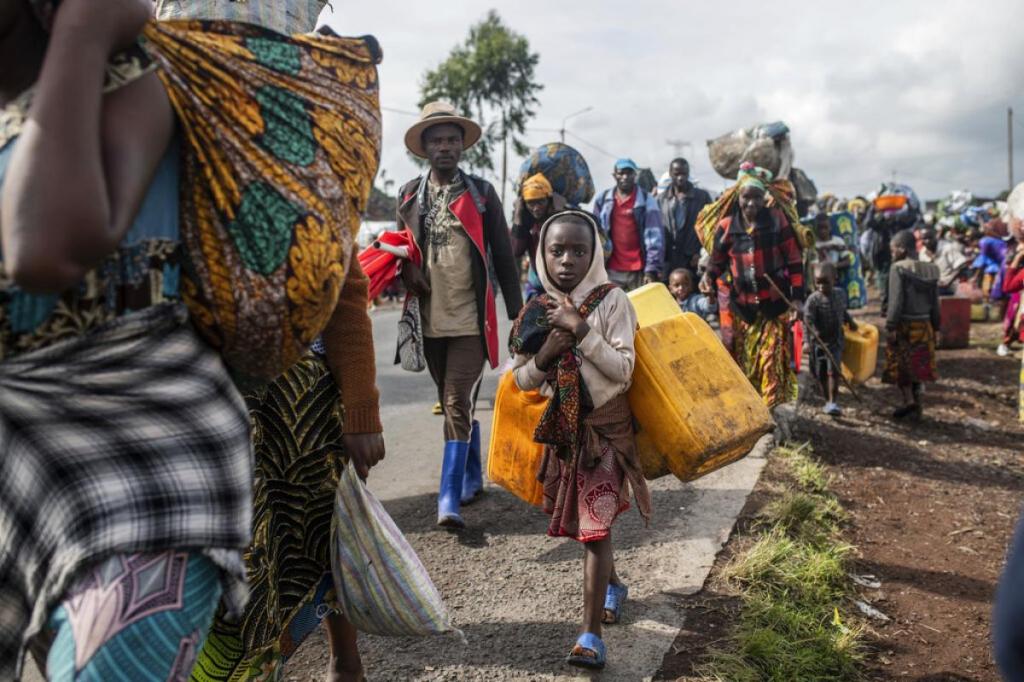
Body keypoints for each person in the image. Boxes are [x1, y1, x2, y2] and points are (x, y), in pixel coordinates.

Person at [0, 1, 254, 678]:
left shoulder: (126, 75)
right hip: (17, 487)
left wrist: (83, 29)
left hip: (138, 477)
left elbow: (42, 251)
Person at [509, 210, 650, 671]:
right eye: (556, 251)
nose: (567, 260)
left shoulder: (613, 302)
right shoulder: (534, 309)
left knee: (594, 529)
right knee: (584, 523)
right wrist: (546, 354)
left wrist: (581, 330)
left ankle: (589, 635)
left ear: (594, 254)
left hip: (605, 431)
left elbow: (623, 372)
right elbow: (524, 380)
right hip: (565, 434)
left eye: (578, 250)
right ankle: (614, 585)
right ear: (541, 255)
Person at [397, 101, 523, 528]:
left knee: (455, 401)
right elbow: (401, 251)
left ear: (462, 145)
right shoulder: (410, 194)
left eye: (452, 139)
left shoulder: (482, 194)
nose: (446, 147)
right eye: (437, 141)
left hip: (471, 319)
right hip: (429, 319)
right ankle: (471, 476)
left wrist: (518, 315)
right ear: (425, 148)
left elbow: (504, 258)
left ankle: (447, 497)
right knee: (452, 403)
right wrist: (405, 270)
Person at [701, 163, 805, 410]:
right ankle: (751, 409)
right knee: (747, 363)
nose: (751, 204)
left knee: (770, 360)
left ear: (764, 198)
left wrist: (798, 298)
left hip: (774, 304)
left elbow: (794, 260)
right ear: (739, 198)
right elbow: (717, 262)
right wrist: (707, 279)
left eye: (757, 198)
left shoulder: (777, 221)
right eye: (746, 198)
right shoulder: (727, 227)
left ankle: (768, 412)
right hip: (743, 308)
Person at [882, 230, 941, 420]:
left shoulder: (898, 268)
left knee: (902, 365)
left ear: (901, 249)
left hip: (905, 325)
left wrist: (891, 325)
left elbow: (896, 301)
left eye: (893, 251)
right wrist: (937, 327)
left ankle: (908, 401)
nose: (892, 255)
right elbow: (935, 302)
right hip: (924, 325)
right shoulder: (931, 269)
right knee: (919, 364)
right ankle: (918, 405)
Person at [593, 158, 665, 291]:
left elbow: (654, 237)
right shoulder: (603, 200)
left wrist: (651, 269)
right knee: (610, 308)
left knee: (639, 309)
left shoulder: (646, 200)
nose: (625, 177)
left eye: (629, 173)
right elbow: (596, 235)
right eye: (621, 173)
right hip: (611, 269)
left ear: (635, 175)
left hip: (638, 270)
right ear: (615, 175)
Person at [804, 262, 856, 416]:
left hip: (836, 341)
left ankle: (833, 402)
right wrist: (807, 342)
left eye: (825, 282)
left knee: (834, 370)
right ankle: (826, 399)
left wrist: (851, 322)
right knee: (820, 372)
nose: (821, 286)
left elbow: (843, 311)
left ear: (835, 279)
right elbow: (807, 322)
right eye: (817, 282)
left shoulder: (840, 294)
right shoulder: (813, 300)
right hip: (818, 343)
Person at [511, 173, 567, 300]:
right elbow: (516, 251)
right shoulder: (527, 223)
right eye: (530, 203)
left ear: (549, 200)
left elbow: (563, 242)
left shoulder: (563, 218)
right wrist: (518, 215)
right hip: (537, 288)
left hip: (562, 289)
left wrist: (558, 211)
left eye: (540, 202)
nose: (535, 208)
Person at [657, 158, 712, 280]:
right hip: (668, 259)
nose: (680, 178)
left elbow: (710, 228)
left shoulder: (702, 197)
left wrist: (701, 253)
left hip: (692, 259)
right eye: (677, 174)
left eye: (684, 173)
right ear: (670, 174)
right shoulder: (660, 199)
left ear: (688, 173)